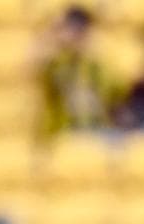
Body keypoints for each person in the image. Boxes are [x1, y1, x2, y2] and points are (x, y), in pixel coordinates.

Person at [34, 4, 117, 139]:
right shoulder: (55, 60)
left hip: (97, 129)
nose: (77, 35)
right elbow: (31, 66)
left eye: (81, 29)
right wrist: (51, 35)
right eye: (72, 29)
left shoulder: (97, 61)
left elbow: (116, 90)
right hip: (64, 132)